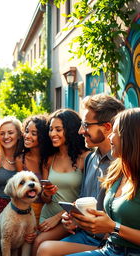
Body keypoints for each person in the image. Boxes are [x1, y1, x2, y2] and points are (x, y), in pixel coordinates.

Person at [37, 94, 125, 256]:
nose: (80, 131)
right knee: (42, 246)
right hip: (85, 235)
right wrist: (71, 217)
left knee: (44, 249)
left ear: (106, 128)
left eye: (85, 125)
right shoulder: (91, 157)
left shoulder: (122, 163)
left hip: (108, 240)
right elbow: (83, 199)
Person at [63, 108, 140, 255]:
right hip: (110, 249)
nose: (109, 137)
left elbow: (112, 226)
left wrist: (113, 227)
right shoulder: (117, 170)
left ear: (129, 138)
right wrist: (80, 219)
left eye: (115, 132)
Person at [32, 109, 89, 256]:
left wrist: (57, 218)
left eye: (58, 129)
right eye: (51, 129)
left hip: (69, 217)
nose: (52, 134)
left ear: (70, 130)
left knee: (40, 242)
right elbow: (46, 199)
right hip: (47, 215)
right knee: (34, 242)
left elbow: (86, 196)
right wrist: (46, 193)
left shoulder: (86, 157)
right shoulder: (49, 158)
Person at [15, 114, 53, 224]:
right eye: (26, 131)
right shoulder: (20, 159)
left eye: (34, 133)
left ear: (42, 137)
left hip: (49, 210)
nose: (27, 136)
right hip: (28, 210)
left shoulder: (50, 159)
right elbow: (22, 191)